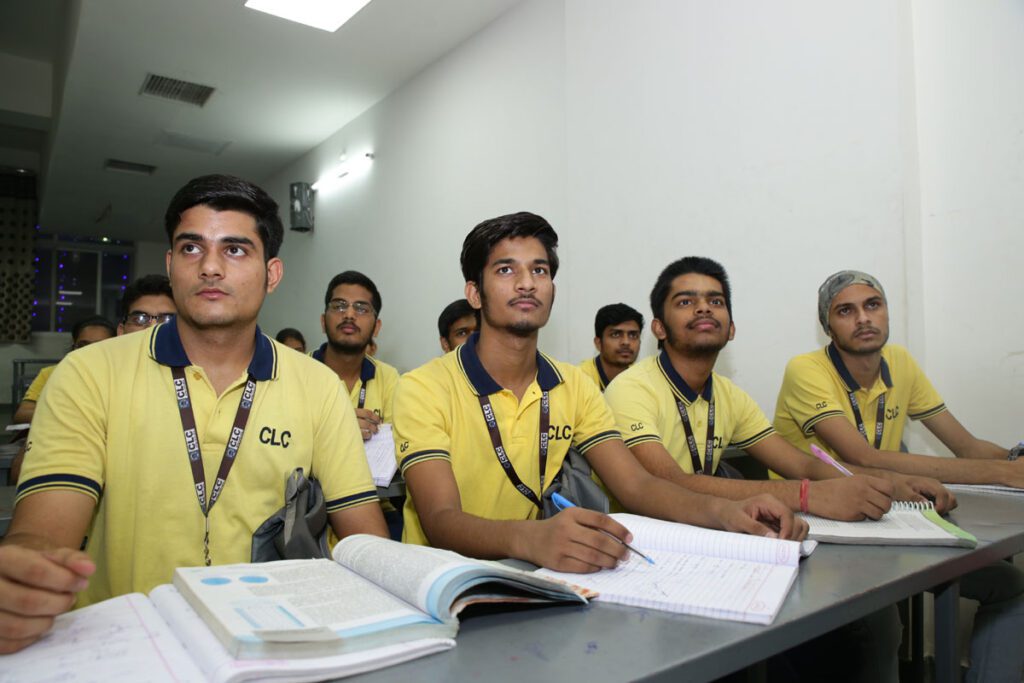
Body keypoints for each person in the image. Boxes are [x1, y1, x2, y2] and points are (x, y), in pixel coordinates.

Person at [0, 174, 387, 655]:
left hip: (269, 643)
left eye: (235, 250)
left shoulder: (318, 386)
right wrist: (22, 575)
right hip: (125, 645)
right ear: (170, 265)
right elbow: (42, 531)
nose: (209, 267)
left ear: (272, 274)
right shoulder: (89, 373)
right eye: (191, 248)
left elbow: (363, 531)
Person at [392, 212, 805, 574]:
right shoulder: (423, 387)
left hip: (535, 573)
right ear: (474, 293)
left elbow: (636, 486)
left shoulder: (574, 385)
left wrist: (726, 512)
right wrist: (530, 537)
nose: (527, 283)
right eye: (505, 270)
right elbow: (439, 519)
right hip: (443, 581)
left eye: (540, 271)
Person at [773, 269, 1024, 682]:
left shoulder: (900, 363)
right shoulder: (806, 369)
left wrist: (1013, 459)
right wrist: (1004, 473)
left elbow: (966, 446)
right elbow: (862, 456)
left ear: (887, 312)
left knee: (1010, 585)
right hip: (819, 529)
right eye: (845, 311)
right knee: (881, 622)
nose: (863, 318)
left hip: (885, 516)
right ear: (827, 327)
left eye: (873, 305)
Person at [604, 257, 950, 521]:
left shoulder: (729, 395)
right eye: (685, 302)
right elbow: (669, 481)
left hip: (708, 529)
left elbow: (802, 465)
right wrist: (807, 496)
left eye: (716, 301)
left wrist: (890, 483)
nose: (704, 307)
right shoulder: (632, 388)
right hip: (643, 538)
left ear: (731, 329)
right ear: (659, 329)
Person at [311, 271, 399, 442]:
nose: (349, 315)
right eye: (339, 306)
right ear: (323, 322)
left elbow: (395, 443)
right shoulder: (295, 371)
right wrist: (336, 427)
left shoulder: (388, 379)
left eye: (361, 308)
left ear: (376, 328)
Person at [12, 315, 117, 424]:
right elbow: (22, 414)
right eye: (83, 346)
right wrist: (71, 414)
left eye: (99, 346)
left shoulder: (119, 378)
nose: (89, 352)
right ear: (74, 347)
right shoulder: (51, 374)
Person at [578, 303, 643, 391]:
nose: (626, 342)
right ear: (598, 343)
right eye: (616, 334)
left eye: (633, 335)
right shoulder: (579, 380)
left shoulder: (643, 380)